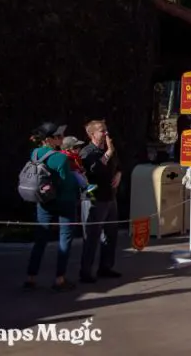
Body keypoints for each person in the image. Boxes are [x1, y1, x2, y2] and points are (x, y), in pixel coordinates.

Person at [25, 122, 80, 291]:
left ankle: (31, 277)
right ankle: (60, 279)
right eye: (59, 136)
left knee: (40, 240)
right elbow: (66, 183)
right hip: (64, 202)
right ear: (49, 139)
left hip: (44, 201)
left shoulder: (35, 153)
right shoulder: (61, 158)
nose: (62, 139)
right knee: (65, 240)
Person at [77, 120, 122, 284]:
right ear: (92, 134)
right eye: (102, 131)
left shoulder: (108, 150)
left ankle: (106, 267)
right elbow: (94, 169)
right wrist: (108, 152)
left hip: (110, 196)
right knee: (92, 236)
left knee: (110, 234)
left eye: (106, 131)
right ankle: (86, 271)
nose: (106, 134)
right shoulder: (87, 152)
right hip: (94, 197)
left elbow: (117, 164)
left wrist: (118, 174)